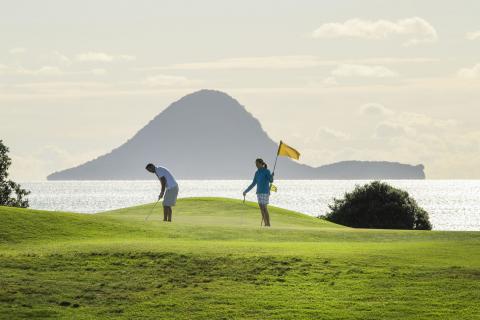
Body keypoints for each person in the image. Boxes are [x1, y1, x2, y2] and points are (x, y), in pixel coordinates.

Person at [243, 158, 274, 227]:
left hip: (265, 192)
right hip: (259, 192)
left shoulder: (266, 171)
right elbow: (253, 183)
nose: (256, 165)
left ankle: (268, 224)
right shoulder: (257, 173)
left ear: (260, 163)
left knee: (264, 208)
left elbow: (271, 180)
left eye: (257, 163)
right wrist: (246, 191)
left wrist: (272, 176)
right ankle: (265, 223)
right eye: (255, 164)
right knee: (261, 208)